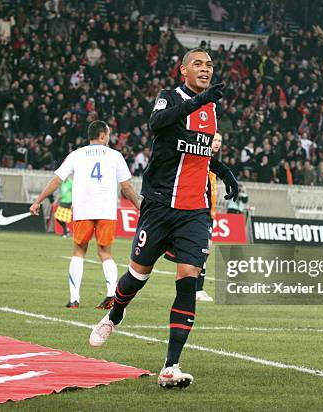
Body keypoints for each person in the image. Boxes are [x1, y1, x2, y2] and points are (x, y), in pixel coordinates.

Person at [89, 48, 239, 388]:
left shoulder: (211, 109)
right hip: (159, 206)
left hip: (194, 212)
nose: (205, 69)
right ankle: (114, 314)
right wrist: (197, 104)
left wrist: (223, 171)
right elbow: (158, 126)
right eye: (198, 64)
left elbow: (196, 153)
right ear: (182, 70)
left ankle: (171, 365)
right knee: (136, 278)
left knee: (188, 280)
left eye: (210, 65)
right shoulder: (168, 99)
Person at [30, 120, 140, 309]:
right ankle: (111, 296)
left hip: (83, 209)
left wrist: (38, 200)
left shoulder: (76, 155)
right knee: (105, 253)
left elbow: (57, 180)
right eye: (109, 134)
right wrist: (139, 206)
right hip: (106, 210)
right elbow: (127, 187)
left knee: (79, 252)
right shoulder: (115, 156)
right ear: (103, 135)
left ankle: (74, 299)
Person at [196, 132, 223, 302]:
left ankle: (197, 288)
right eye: (215, 140)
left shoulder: (212, 163)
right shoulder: (202, 160)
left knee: (205, 249)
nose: (218, 143)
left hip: (209, 212)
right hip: (201, 211)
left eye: (220, 141)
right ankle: (197, 289)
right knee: (204, 248)